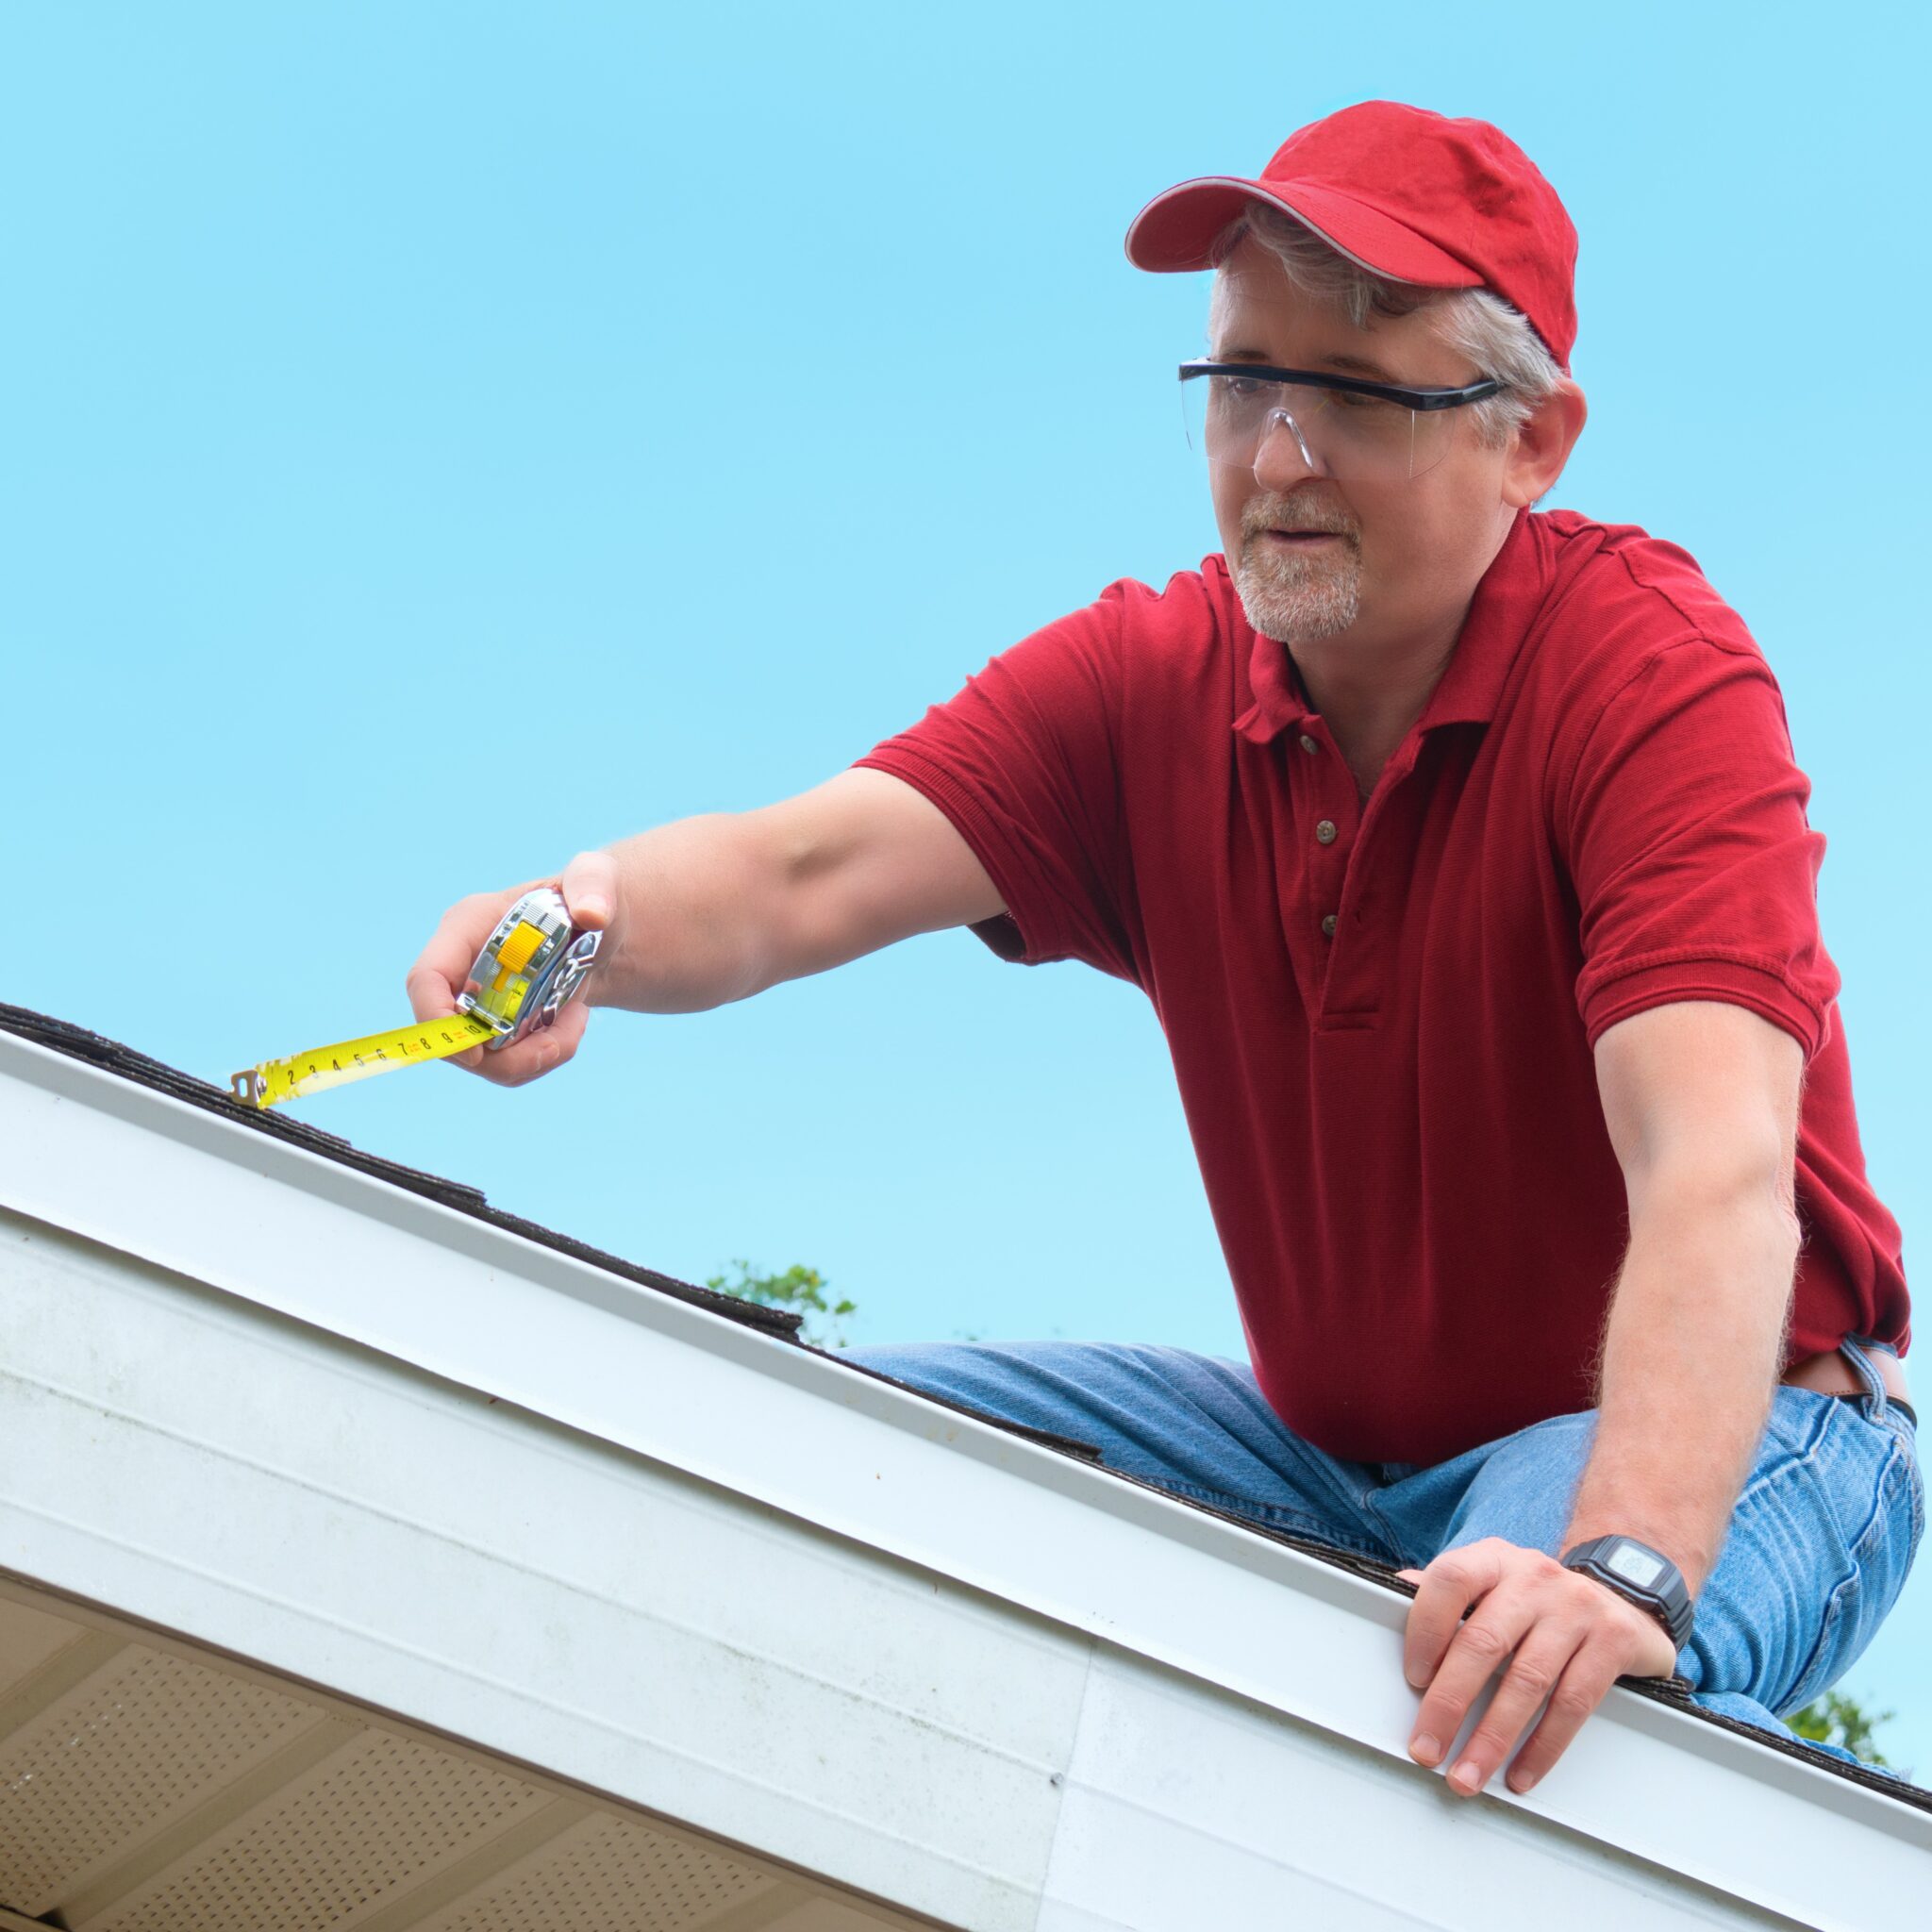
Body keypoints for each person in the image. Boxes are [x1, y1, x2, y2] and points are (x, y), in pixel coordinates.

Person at [408, 101, 1917, 1795]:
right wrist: (576, 922)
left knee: (1503, 1657)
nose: (1278, 454)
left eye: (1353, 392)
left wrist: (1623, 1562)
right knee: (819, 1470)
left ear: (1532, 439)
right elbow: (794, 873)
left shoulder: (1650, 681)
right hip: (1323, 1458)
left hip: (1758, 1441)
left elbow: (1715, 1162)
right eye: (1241, 384)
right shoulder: (1149, 685)